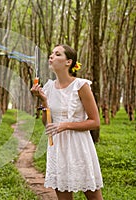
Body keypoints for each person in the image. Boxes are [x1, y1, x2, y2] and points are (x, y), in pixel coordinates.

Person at [31, 44, 104, 200]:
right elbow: (47, 123)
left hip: (79, 146)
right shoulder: (49, 87)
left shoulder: (81, 86)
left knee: (93, 196)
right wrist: (44, 101)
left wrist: (65, 125)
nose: (51, 56)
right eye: (51, 54)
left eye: (57, 54)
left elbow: (95, 122)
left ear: (68, 62)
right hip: (58, 147)